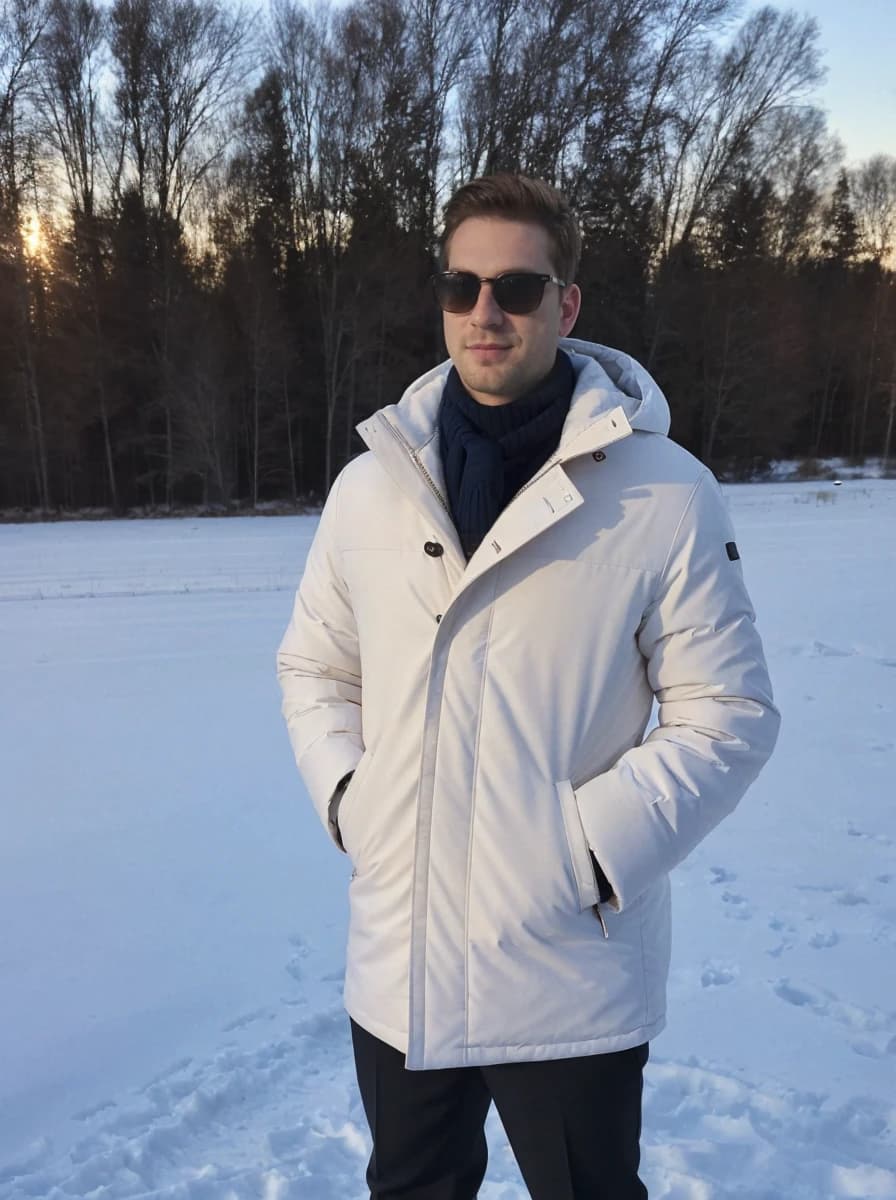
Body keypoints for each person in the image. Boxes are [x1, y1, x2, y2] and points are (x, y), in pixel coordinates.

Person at [277, 173, 780, 1199]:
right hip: (401, 957)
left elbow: (726, 712)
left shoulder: (661, 491)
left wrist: (587, 852)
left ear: (567, 302)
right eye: (460, 286)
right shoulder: (372, 485)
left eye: (514, 286)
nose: (484, 313)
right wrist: (350, 799)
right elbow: (316, 666)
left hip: (563, 960)